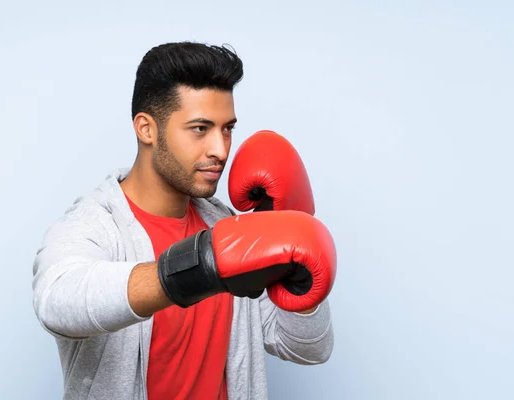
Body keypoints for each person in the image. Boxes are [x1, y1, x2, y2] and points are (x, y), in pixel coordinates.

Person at [32, 41, 335, 400]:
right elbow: (57, 301)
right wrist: (196, 270)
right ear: (146, 129)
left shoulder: (227, 229)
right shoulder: (95, 224)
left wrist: (299, 272)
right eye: (200, 128)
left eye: (227, 129)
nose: (220, 150)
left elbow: (307, 348)